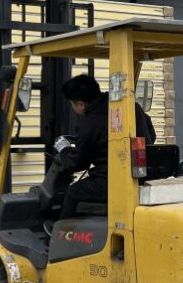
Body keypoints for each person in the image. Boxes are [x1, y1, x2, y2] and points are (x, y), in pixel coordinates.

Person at [57, 74, 156, 219]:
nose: (73, 108)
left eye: (72, 105)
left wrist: (64, 149)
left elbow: (78, 163)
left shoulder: (89, 123)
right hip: (143, 175)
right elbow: (151, 136)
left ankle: (61, 230)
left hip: (112, 181)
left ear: (81, 104)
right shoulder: (132, 107)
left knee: (73, 192)